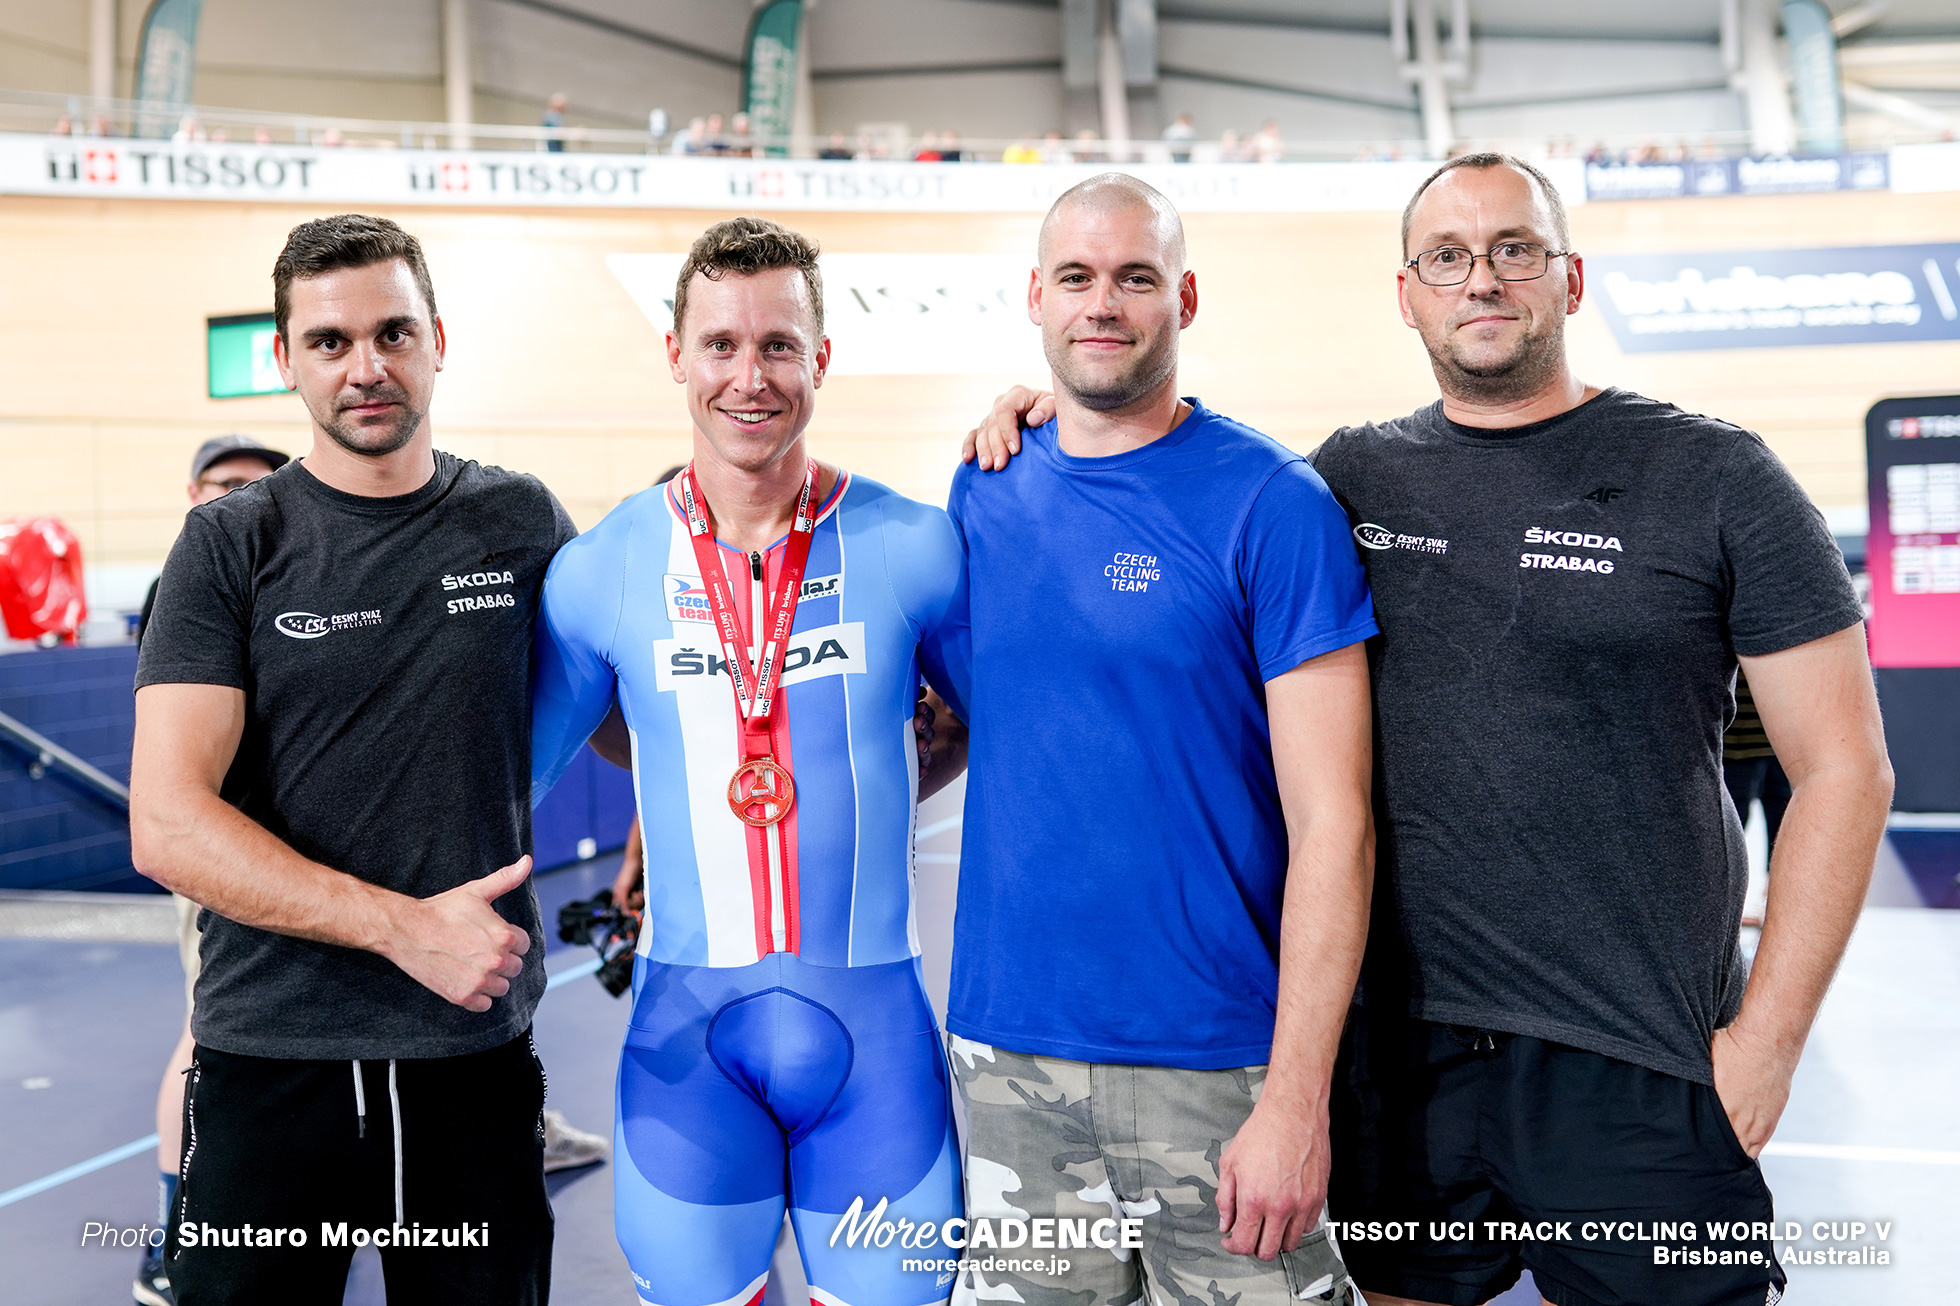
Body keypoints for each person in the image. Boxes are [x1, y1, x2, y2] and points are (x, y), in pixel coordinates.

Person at [968, 152, 1893, 1306]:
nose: (1482, 282)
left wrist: (1769, 1039)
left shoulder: (1713, 476)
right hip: (1399, 1068)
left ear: (1568, 277)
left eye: (1514, 251)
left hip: (1638, 1061)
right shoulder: (1348, 480)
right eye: (1447, 259)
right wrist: (1051, 411)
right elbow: (1170, 495)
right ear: (1407, 293)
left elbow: (1845, 769)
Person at [946, 174, 1375, 1306]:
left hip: (1219, 1066)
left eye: (1135, 278)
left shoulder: (1273, 502)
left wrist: (1296, 1097)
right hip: (1008, 1060)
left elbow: (1337, 826)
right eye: (1077, 278)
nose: (1104, 304)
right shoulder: (982, 487)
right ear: (1035, 297)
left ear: (1182, 297)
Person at [130, 213, 572, 1305]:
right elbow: (166, 823)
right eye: (329, 341)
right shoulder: (231, 543)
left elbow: (648, 710)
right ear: (286, 359)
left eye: (392, 333)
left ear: (437, 340)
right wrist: (404, 926)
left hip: (470, 1060)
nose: (365, 367)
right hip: (269, 1063)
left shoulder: (521, 523)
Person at [530, 216, 972, 1306]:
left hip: (876, 1058)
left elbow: (999, 720)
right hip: (689, 1056)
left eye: (778, 344)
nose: (749, 376)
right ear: (676, 356)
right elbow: (500, 779)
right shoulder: (602, 570)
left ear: (821, 358)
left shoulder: (913, 544)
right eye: (720, 344)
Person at [133, 434, 289, 1306]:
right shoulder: (188, 583)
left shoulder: (264, 568)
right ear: (194, 491)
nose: (239, 499)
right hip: (225, 858)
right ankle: (170, 1235)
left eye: (255, 488)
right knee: (208, 1037)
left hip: (280, 855)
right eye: (225, 485)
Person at [1723, 671, 1791, 927]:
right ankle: (1731, 903)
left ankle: (1773, 900)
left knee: (1781, 820)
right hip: (1739, 741)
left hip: (1776, 739)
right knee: (1733, 823)